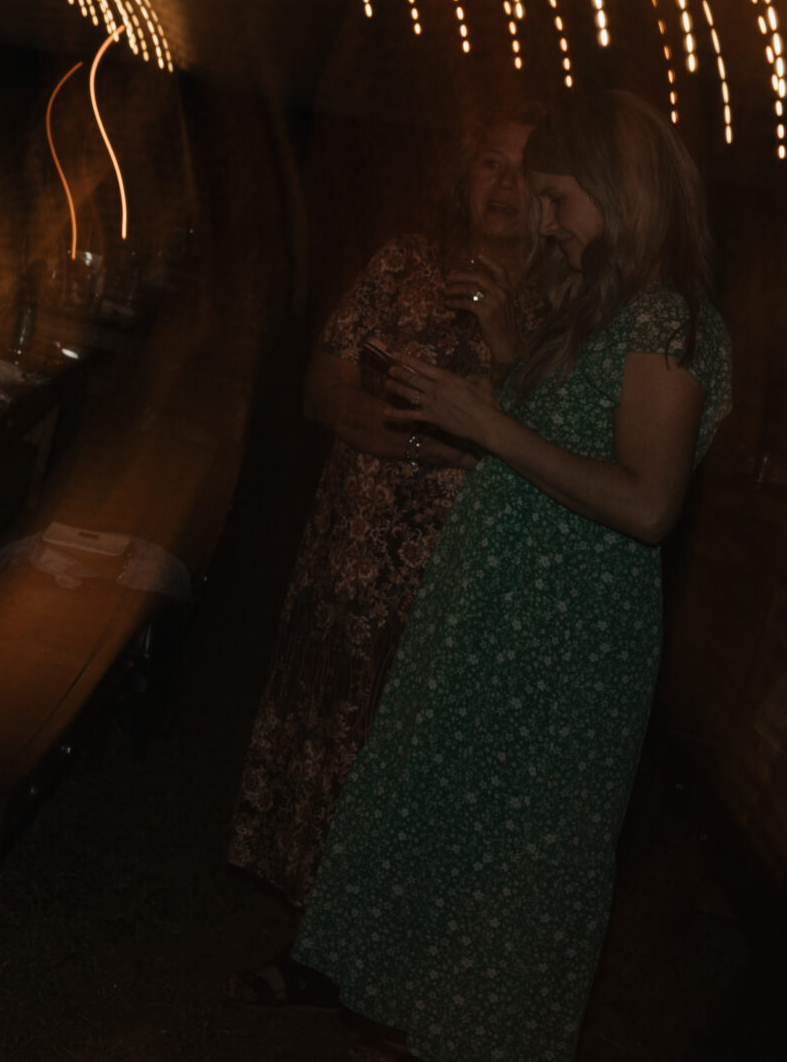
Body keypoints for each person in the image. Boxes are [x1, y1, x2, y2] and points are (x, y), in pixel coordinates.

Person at [288, 90, 731, 1062]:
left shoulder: (668, 317)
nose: (548, 227)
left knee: (509, 878)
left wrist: (486, 421)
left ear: (617, 192)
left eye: (557, 201)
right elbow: (553, 431)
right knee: (453, 851)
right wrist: (484, 373)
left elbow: (648, 503)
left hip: (563, 642)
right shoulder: (603, 303)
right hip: (499, 615)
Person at [225, 105, 540, 940]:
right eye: (487, 162)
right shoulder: (404, 261)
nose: (502, 184)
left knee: (415, 762)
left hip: (458, 576)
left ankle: (384, 958)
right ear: (461, 175)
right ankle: (310, 944)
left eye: (523, 167)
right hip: (351, 553)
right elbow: (317, 387)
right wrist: (429, 436)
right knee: (328, 738)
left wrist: (489, 386)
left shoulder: (560, 303)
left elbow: (546, 443)